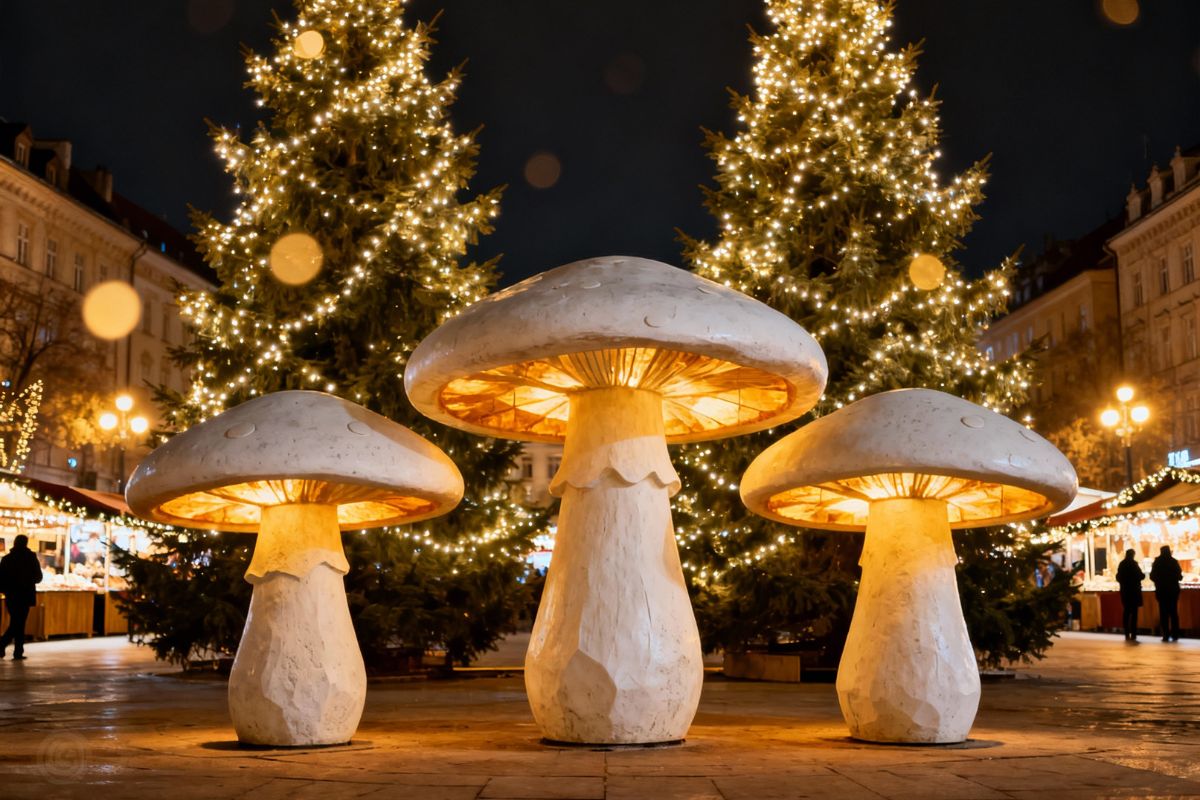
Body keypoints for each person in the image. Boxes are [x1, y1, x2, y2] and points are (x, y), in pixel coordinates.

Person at [0, 535, 43, 660]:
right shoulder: (31, 558)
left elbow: (1, 579)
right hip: (25, 595)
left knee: (16, 622)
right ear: (26, 543)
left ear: (14, 543)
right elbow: (38, 577)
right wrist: (28, 581)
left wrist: (6, 589)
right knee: (19, 622)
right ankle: (9, 647)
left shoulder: (6, 559)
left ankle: (15, 650)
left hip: (11, 596)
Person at [1149, 545, 1183, 642]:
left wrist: (1159, 581)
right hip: (1173, 592)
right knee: (1173, 613)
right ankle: (1175, 634)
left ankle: (1165, 634)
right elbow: (1179, 576)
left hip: (1161, 591)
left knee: (1163, 614)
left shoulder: (1157, 562)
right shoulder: (1173, 562)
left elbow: (1152, 576)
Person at [1115, 549, 1144, 641]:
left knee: (1126, 612)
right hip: (1134, 591)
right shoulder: (1134, 564)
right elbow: (1141, 576)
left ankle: (1126, 632)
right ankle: (1133, 633)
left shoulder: (1122, 564)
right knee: (1134, 613)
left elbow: (1118, 577)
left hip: (1125, 591)